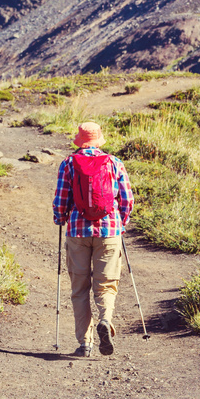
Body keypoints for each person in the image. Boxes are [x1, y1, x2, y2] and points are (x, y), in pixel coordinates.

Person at [53, 121, 134, 357]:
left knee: (80, 288)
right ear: (99, 140)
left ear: (80, 140)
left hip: (77, 233)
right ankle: (106, 320)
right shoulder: (114, 162)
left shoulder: (68, 163)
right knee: (106, 284)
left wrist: (60, 218)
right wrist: (121, 222)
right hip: (109, 232)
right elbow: (127, 199)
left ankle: (85, 344)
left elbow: (61, 200)